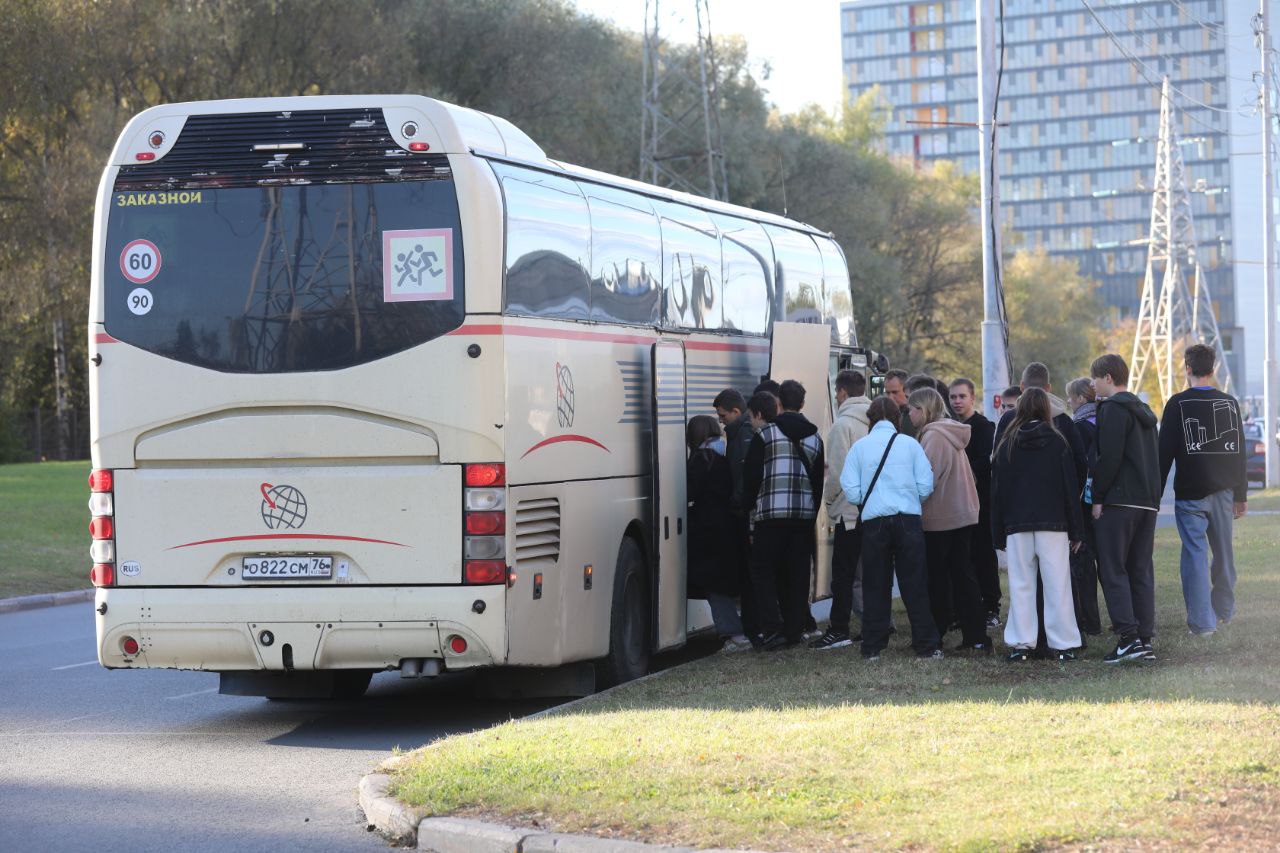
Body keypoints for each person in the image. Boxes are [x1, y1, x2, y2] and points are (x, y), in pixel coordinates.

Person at [840, 396, 942, 660]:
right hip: (908, 518)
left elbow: (850, 489)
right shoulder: (910, 444)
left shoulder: (859, 448)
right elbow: (925, 484)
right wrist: (911, 499)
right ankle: (927, 645)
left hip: (874, 521)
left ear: (870, 419)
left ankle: (872, 646)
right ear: (899, 418)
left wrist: (866, 499)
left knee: (875, 585)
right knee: (915, 584)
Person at [1158, 344, 1248, 636]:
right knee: (1224, 554)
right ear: (1213, 369)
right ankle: (1223, 611)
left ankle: (1202, 624)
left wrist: (1154, 495)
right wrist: (1241, 495)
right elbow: (1239, 453)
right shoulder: (1229, 402)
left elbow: (1163, 454)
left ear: (1187, 369)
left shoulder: (1176, 404)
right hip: (1224, 492)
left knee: (1195, 556)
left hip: (1190, 493)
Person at [990, 388, 1085, 661]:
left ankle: (1021, 645)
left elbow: (997, 491)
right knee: (1057, 584)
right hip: (1053, 523)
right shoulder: (1058, 442)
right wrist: (1076, 529)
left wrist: (997, 531)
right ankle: (1063, 645)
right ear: (1045, 408)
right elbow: (1069, 488)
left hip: (1017, 523)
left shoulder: (1006, 443)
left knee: (1020, 584)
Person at [1089, 354, 1161, 664]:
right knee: (1140, 569)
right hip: (1147, 503)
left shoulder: (1112, 409)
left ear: (1107, 377)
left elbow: (1109, 457)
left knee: (1112, 568)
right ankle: (1144, 639)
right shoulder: (1144, 411)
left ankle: (1128, 638)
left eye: (1095, 379)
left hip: (1119, 502)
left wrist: (1098, 496)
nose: (1092, 385)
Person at [909, 387, 991, 652]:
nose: (909, 414)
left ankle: (936, 634)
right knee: (963, 574)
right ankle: (976, 636)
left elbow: (928, 478)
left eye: (912, 409)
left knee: (939, 578)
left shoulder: (934, 435)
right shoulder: (950, 431)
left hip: (941, 516)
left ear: (922, 410)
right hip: (961, 512)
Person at [741, 389, 824, 650]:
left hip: (770, 515)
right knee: (798, 574)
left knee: (763, 571)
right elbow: (818, 483)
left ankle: (772, 628)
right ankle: (794, 630)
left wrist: (747, 512)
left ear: (778, 404)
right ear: (802, 403)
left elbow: (752, 478)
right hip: (802, 517)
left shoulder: (765, 434)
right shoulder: (815, 438)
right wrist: (811, 514)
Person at [811, 370, 871, 650]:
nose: (835, 397)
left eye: (836, 392)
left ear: (843, 392)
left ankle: (838, 629)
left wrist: (828, 501)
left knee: (843, 575)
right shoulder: (877, 420)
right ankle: (875, 623)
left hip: (848, 511)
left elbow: (837, 473)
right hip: (873, 510)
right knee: (869, 573)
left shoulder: (842, 425)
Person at [685, 415, 745, 645]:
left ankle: (731, 631)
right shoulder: (724, 456)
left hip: (707, 531)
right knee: (725, 582)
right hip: (728, 528)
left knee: (714, 585)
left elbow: (691, 492)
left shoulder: (700, 460)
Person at [948, 377, 1001, 627]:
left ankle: (991, 607)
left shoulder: (983, 427)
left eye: (962, 396)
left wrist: (960, 472)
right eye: (953, 397)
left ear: (972, 397)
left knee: (983, 554)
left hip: (980, 502)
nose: (957, 401)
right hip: (956, 503)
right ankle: (967, 609)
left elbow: (985, 460)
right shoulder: (948, 427)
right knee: (962, 558)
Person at [713, 388, 761, 643]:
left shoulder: (743, 434)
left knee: (749, 574)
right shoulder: (738, 432)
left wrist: (736, 502)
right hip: (741, 510)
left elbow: (745, 476)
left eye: (723, 416)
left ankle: (753, 626)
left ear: (736, 411)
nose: (721, 421)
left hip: (743, 512)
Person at [1065, 377, 1102, 637]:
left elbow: (1079, 469)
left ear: (1080, 398)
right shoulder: (1105, 420)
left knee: (1084, 565)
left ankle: (1089, 621)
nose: (1068, 401)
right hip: (1108, 501)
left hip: (1086, 502)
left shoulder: (1078, 427)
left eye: (1070, 397)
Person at [883, 369, 912, 436]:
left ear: (906, 390)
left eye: (895, 392)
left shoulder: (916, 415)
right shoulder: (883, 416)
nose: (890, 397)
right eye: (888, 393)